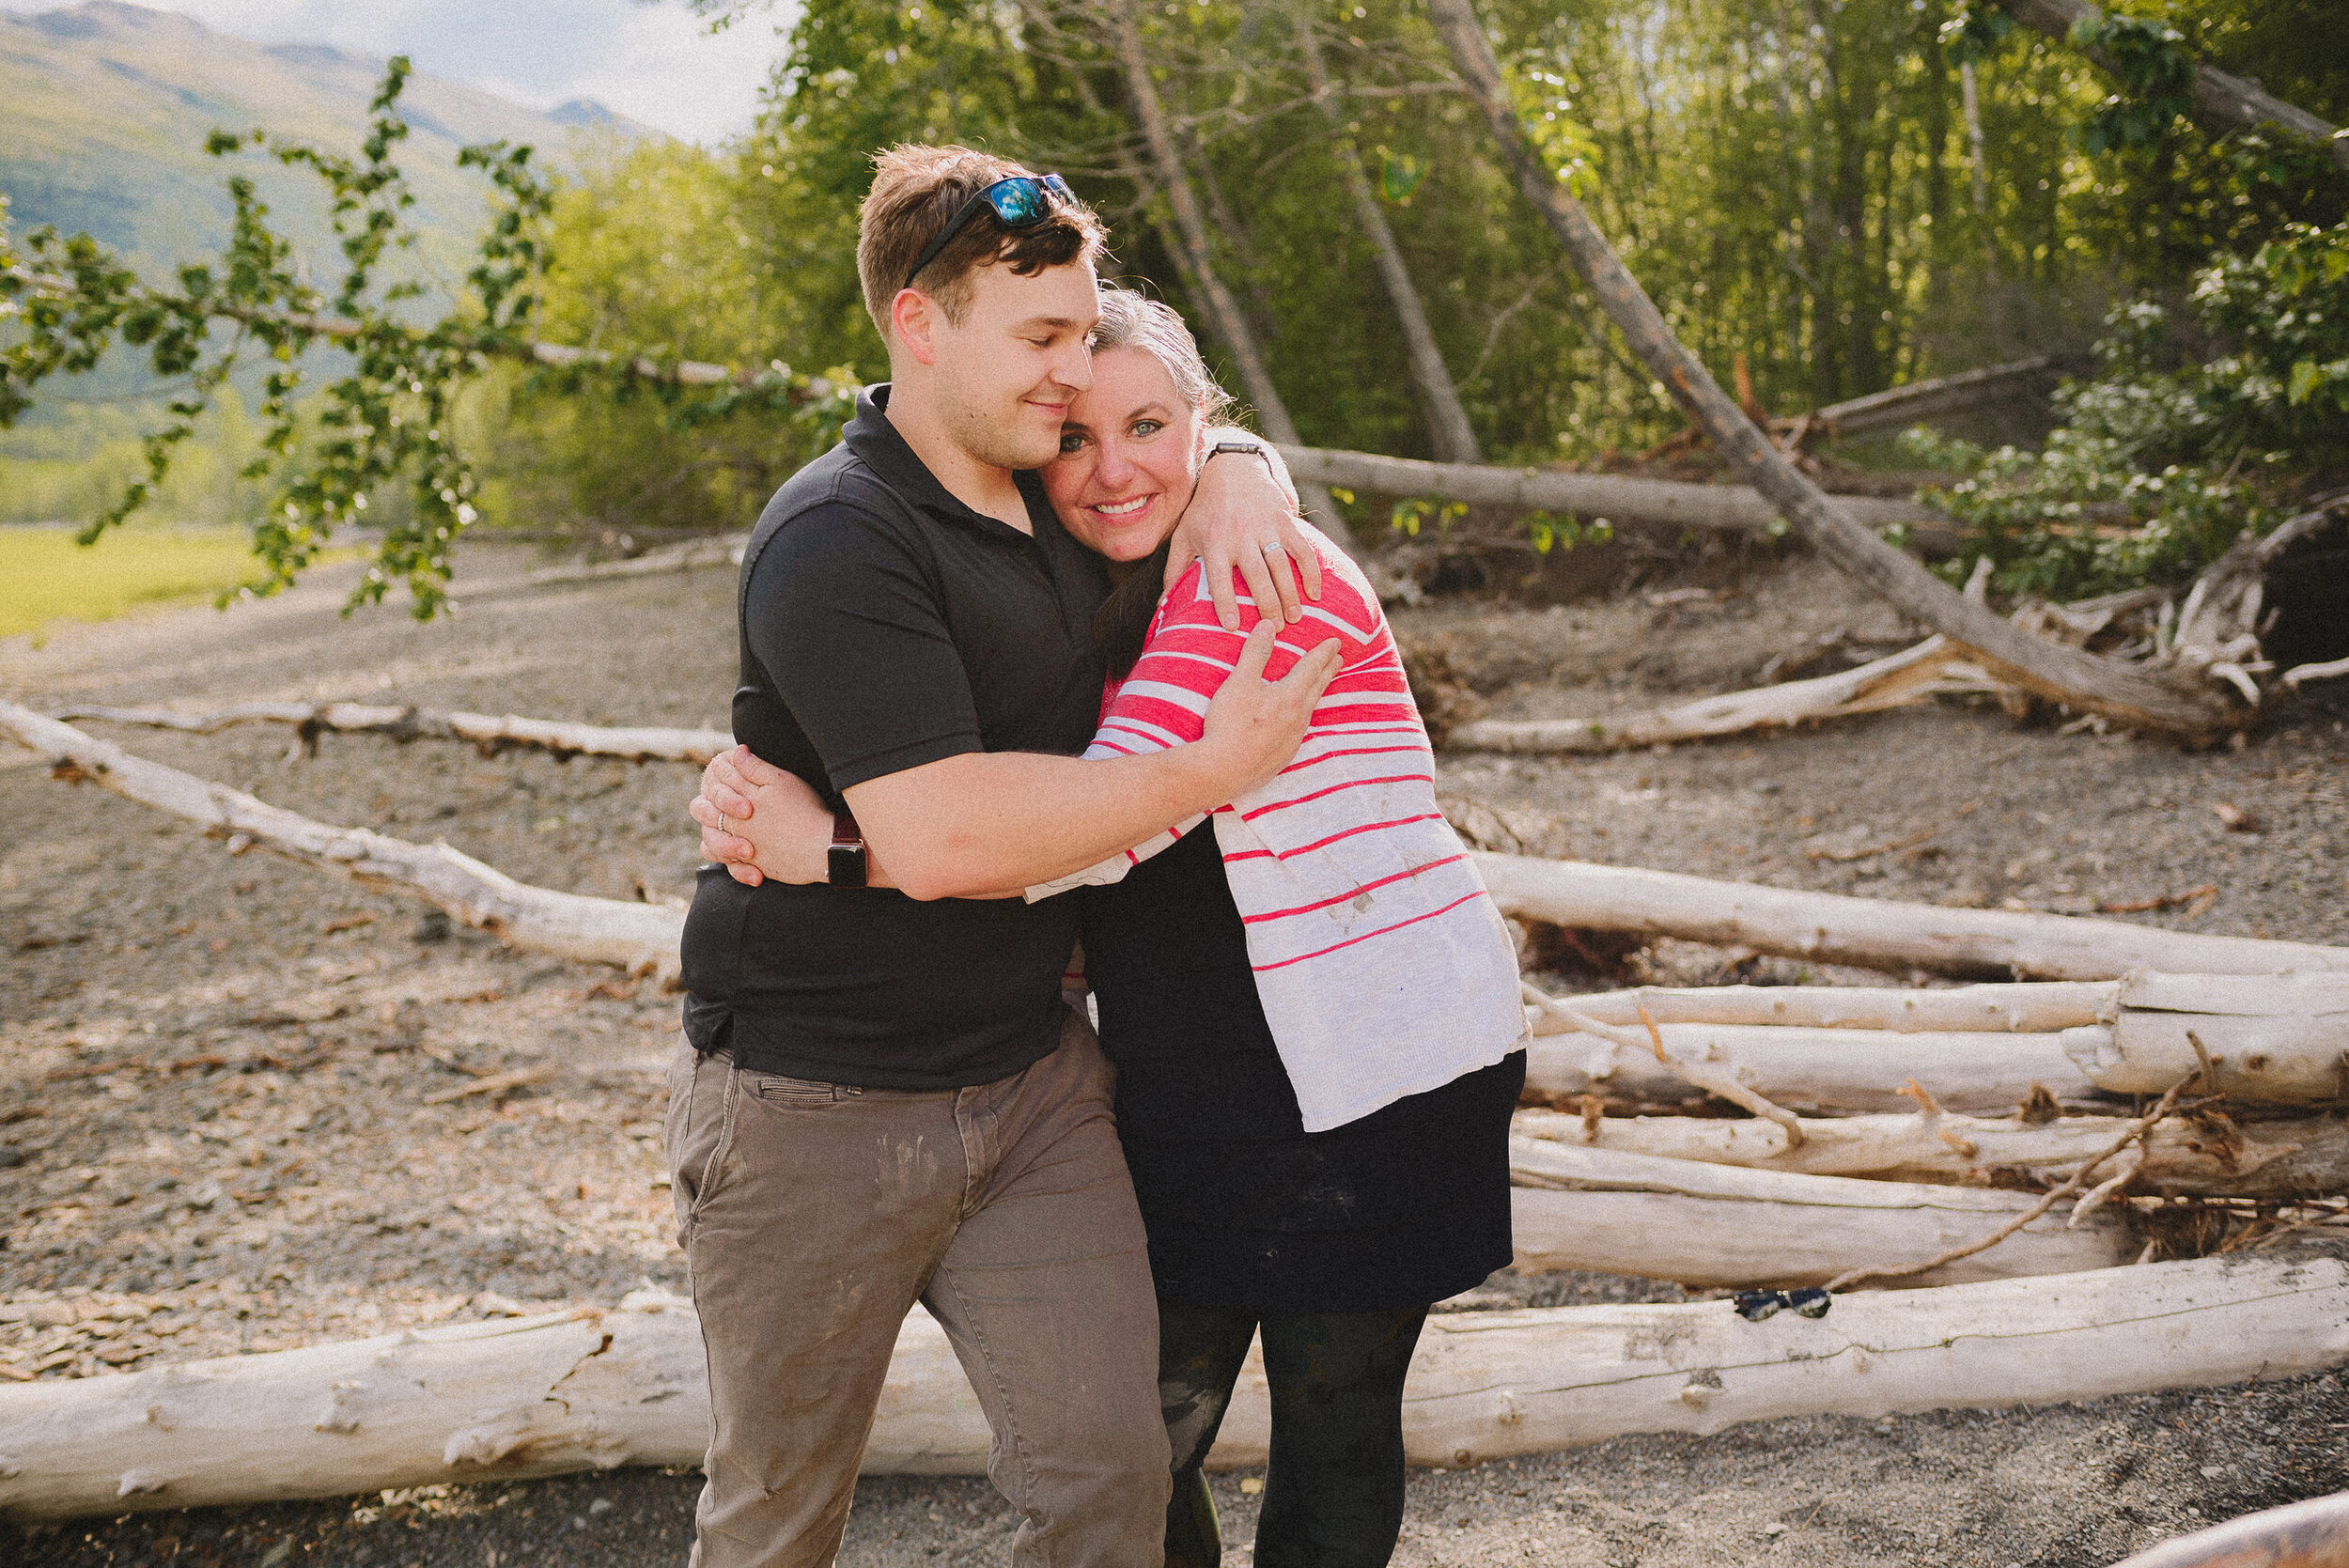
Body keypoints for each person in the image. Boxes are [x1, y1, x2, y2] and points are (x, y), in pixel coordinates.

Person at [696, 286, 1530, 1568]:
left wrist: (830, 846)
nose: (1112, 467)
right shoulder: (1088, 582)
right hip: (1189, 1074)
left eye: (1150, 424)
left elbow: (1083, 829)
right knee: (1142, 1430)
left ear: (1205, 421)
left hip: (1372, 1067)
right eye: (1075, 439)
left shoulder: (1254, 574)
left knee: (1337, 1418)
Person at [668, 144, 1343, 1568]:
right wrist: (1215, 766)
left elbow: (1156, 452)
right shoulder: (836, 537)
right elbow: (947, 833)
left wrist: (1237, 468)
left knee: (1111, 1480)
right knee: (778, 1514)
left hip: (1034, 1089)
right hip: (814, 1110)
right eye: (1041, 338)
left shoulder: (1048, 493)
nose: (1067, 371)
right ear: (919, 323)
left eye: (1080, 333)